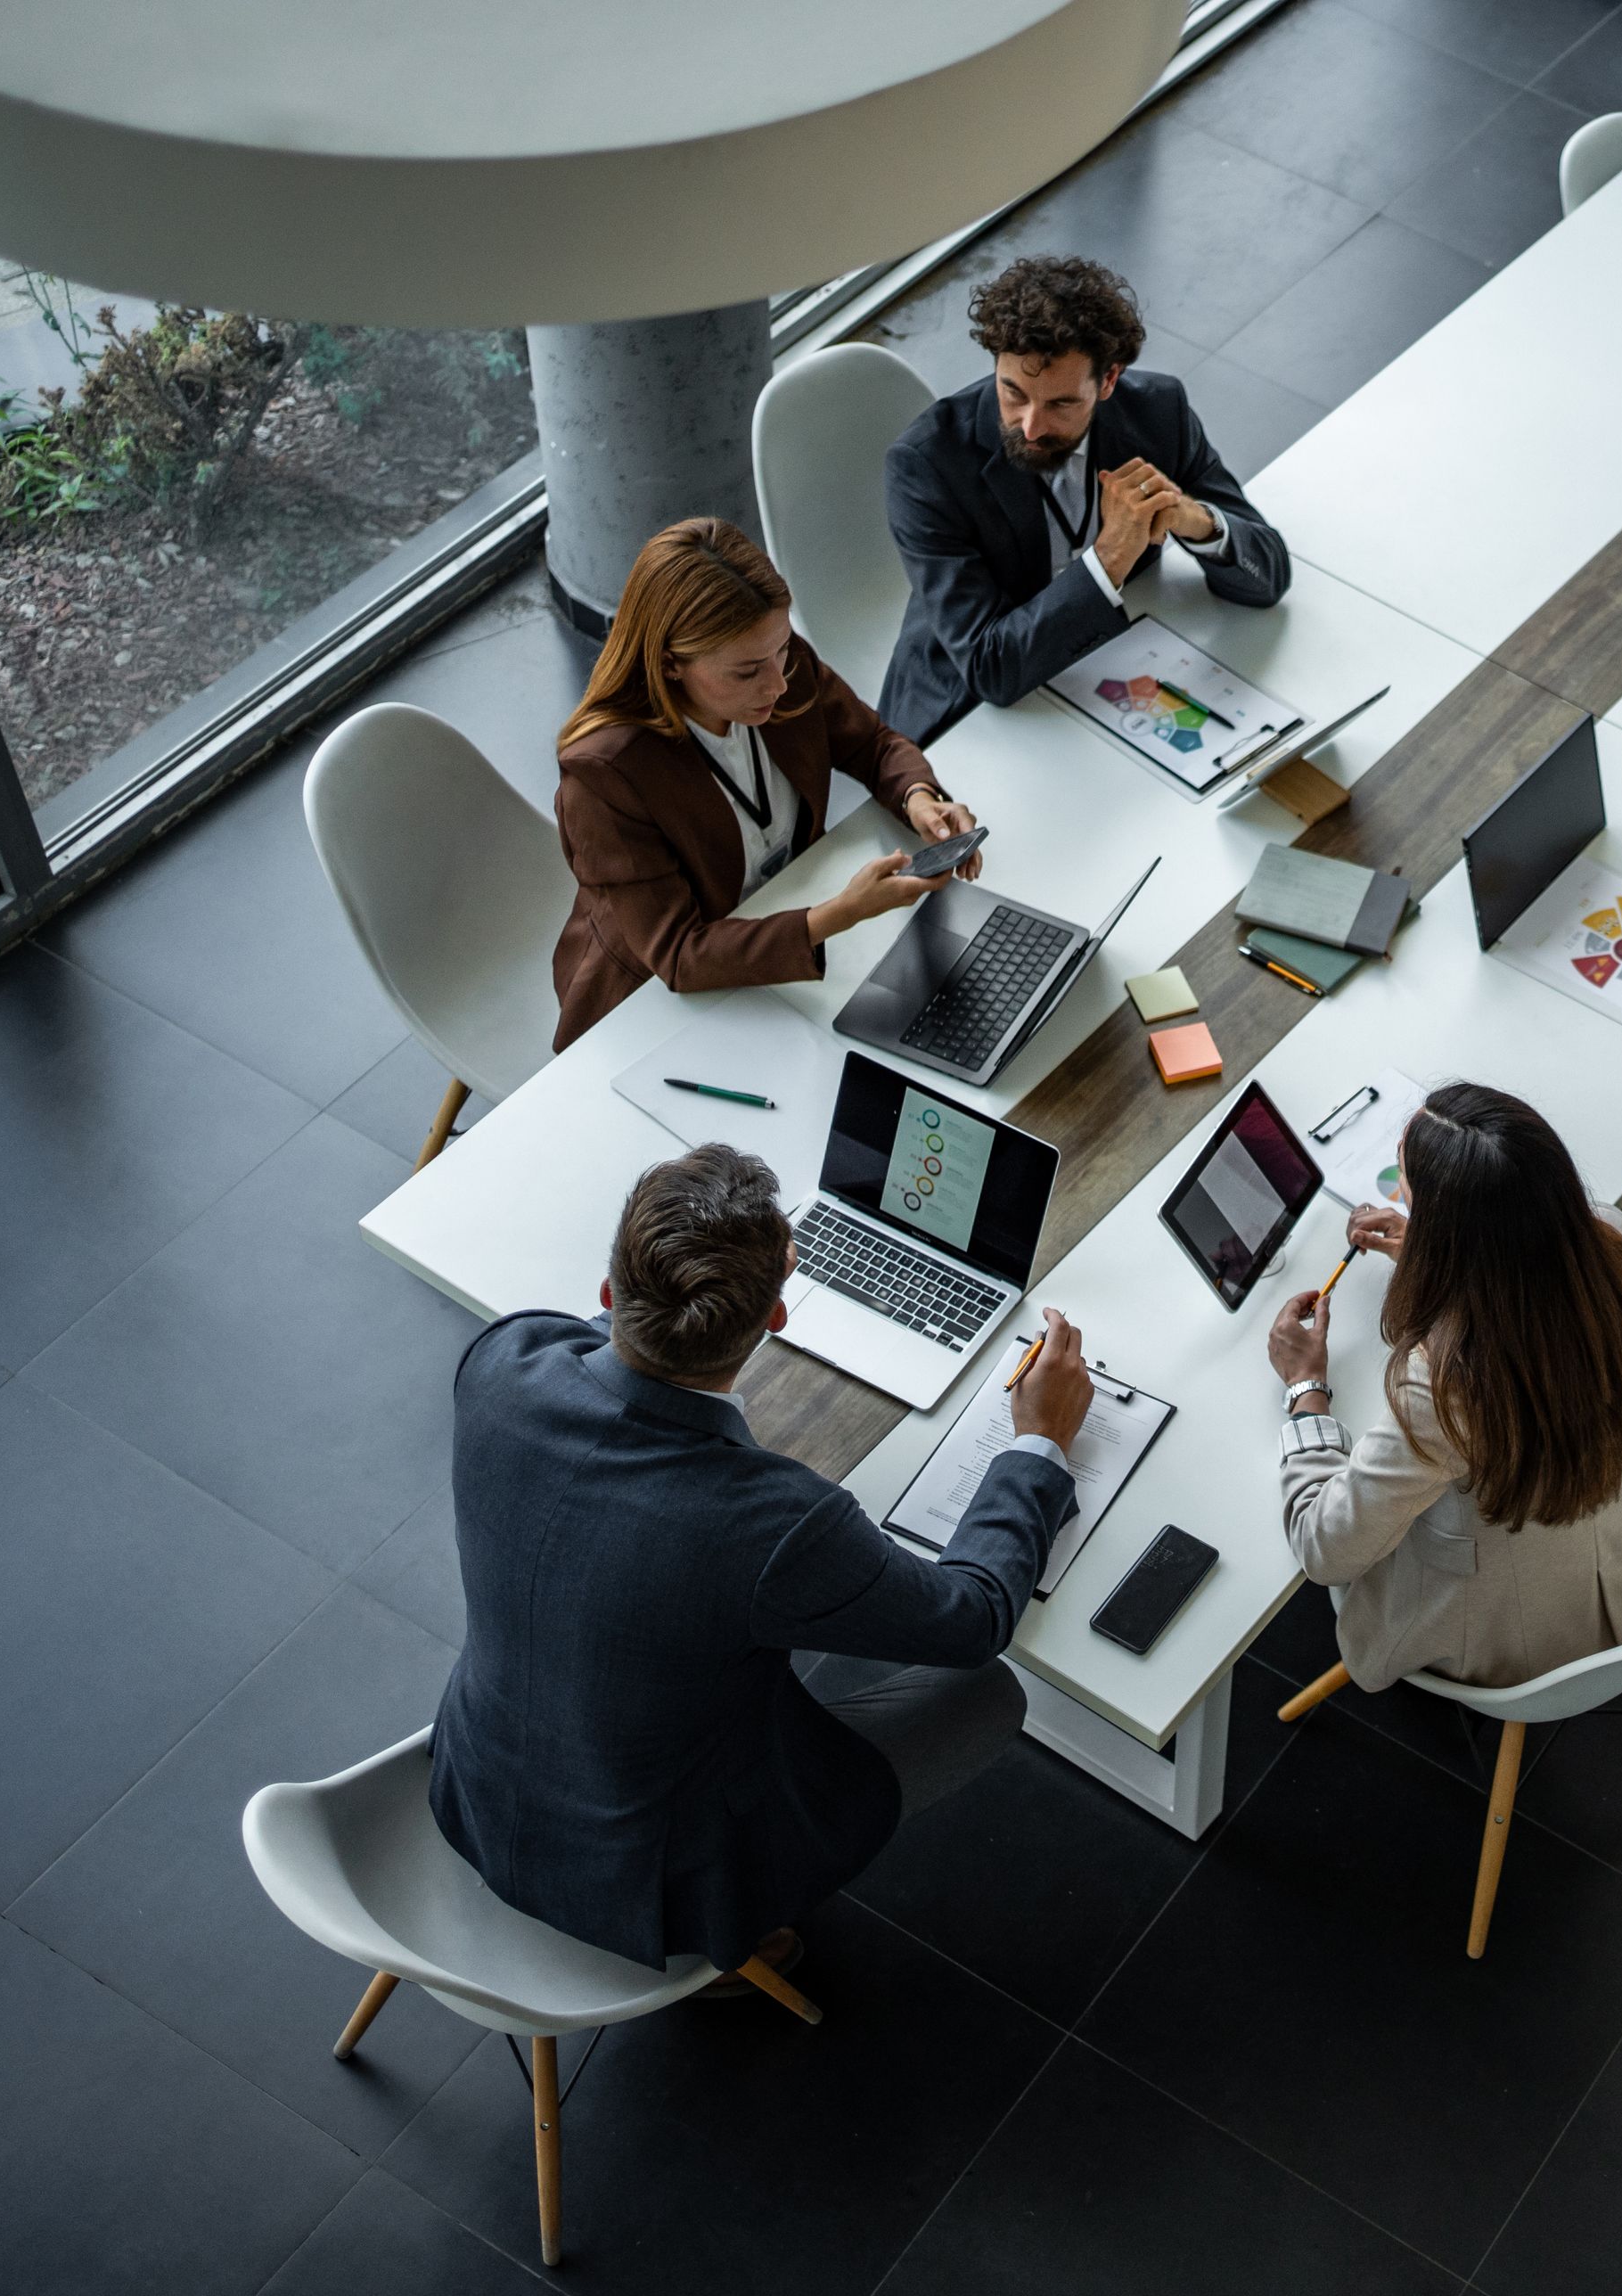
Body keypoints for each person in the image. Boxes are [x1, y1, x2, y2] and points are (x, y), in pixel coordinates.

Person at [428, 1145, 1090, 1981]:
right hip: (651, 1882)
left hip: (474, 1790)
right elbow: (973, 1618)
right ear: (778, 1316)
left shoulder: (502, 1361)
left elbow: (602, 1350)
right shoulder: (778, 1524)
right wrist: (1040, 1441)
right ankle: (750, 1914)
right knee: (988, 1695)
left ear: (607, 1291)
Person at [1263, 1084, 1622, 1693]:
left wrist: (1305, 1388)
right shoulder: (1616, 1245)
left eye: (1405, 1186)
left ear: (1449, 1224)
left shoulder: (1442, 1390)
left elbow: (1325, 1549)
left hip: (1516, 1632)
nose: (1399, 1196)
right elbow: (1532, 1283)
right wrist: (1438, 1252)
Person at [551, 518, 985, 1049]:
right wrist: (839, 914)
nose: (779, 682)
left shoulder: (776, 660)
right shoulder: (604, 776)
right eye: (748, 671)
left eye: (781, 650)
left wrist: (918, 797)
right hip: (659, 1002)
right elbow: (681, 955)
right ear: (670, 664)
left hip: (785, 923)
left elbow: (870, 742)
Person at [878, 253, 1290, 743]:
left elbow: (1269, 577)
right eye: (1013, 393)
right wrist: (1111, 557)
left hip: (1115, 668)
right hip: (970, 714)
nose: (1030, 426)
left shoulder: (1159, 413)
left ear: (1109, 380)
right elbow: (992, 669)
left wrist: (1196, 519)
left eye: (1061, 403)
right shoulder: (928, 465)